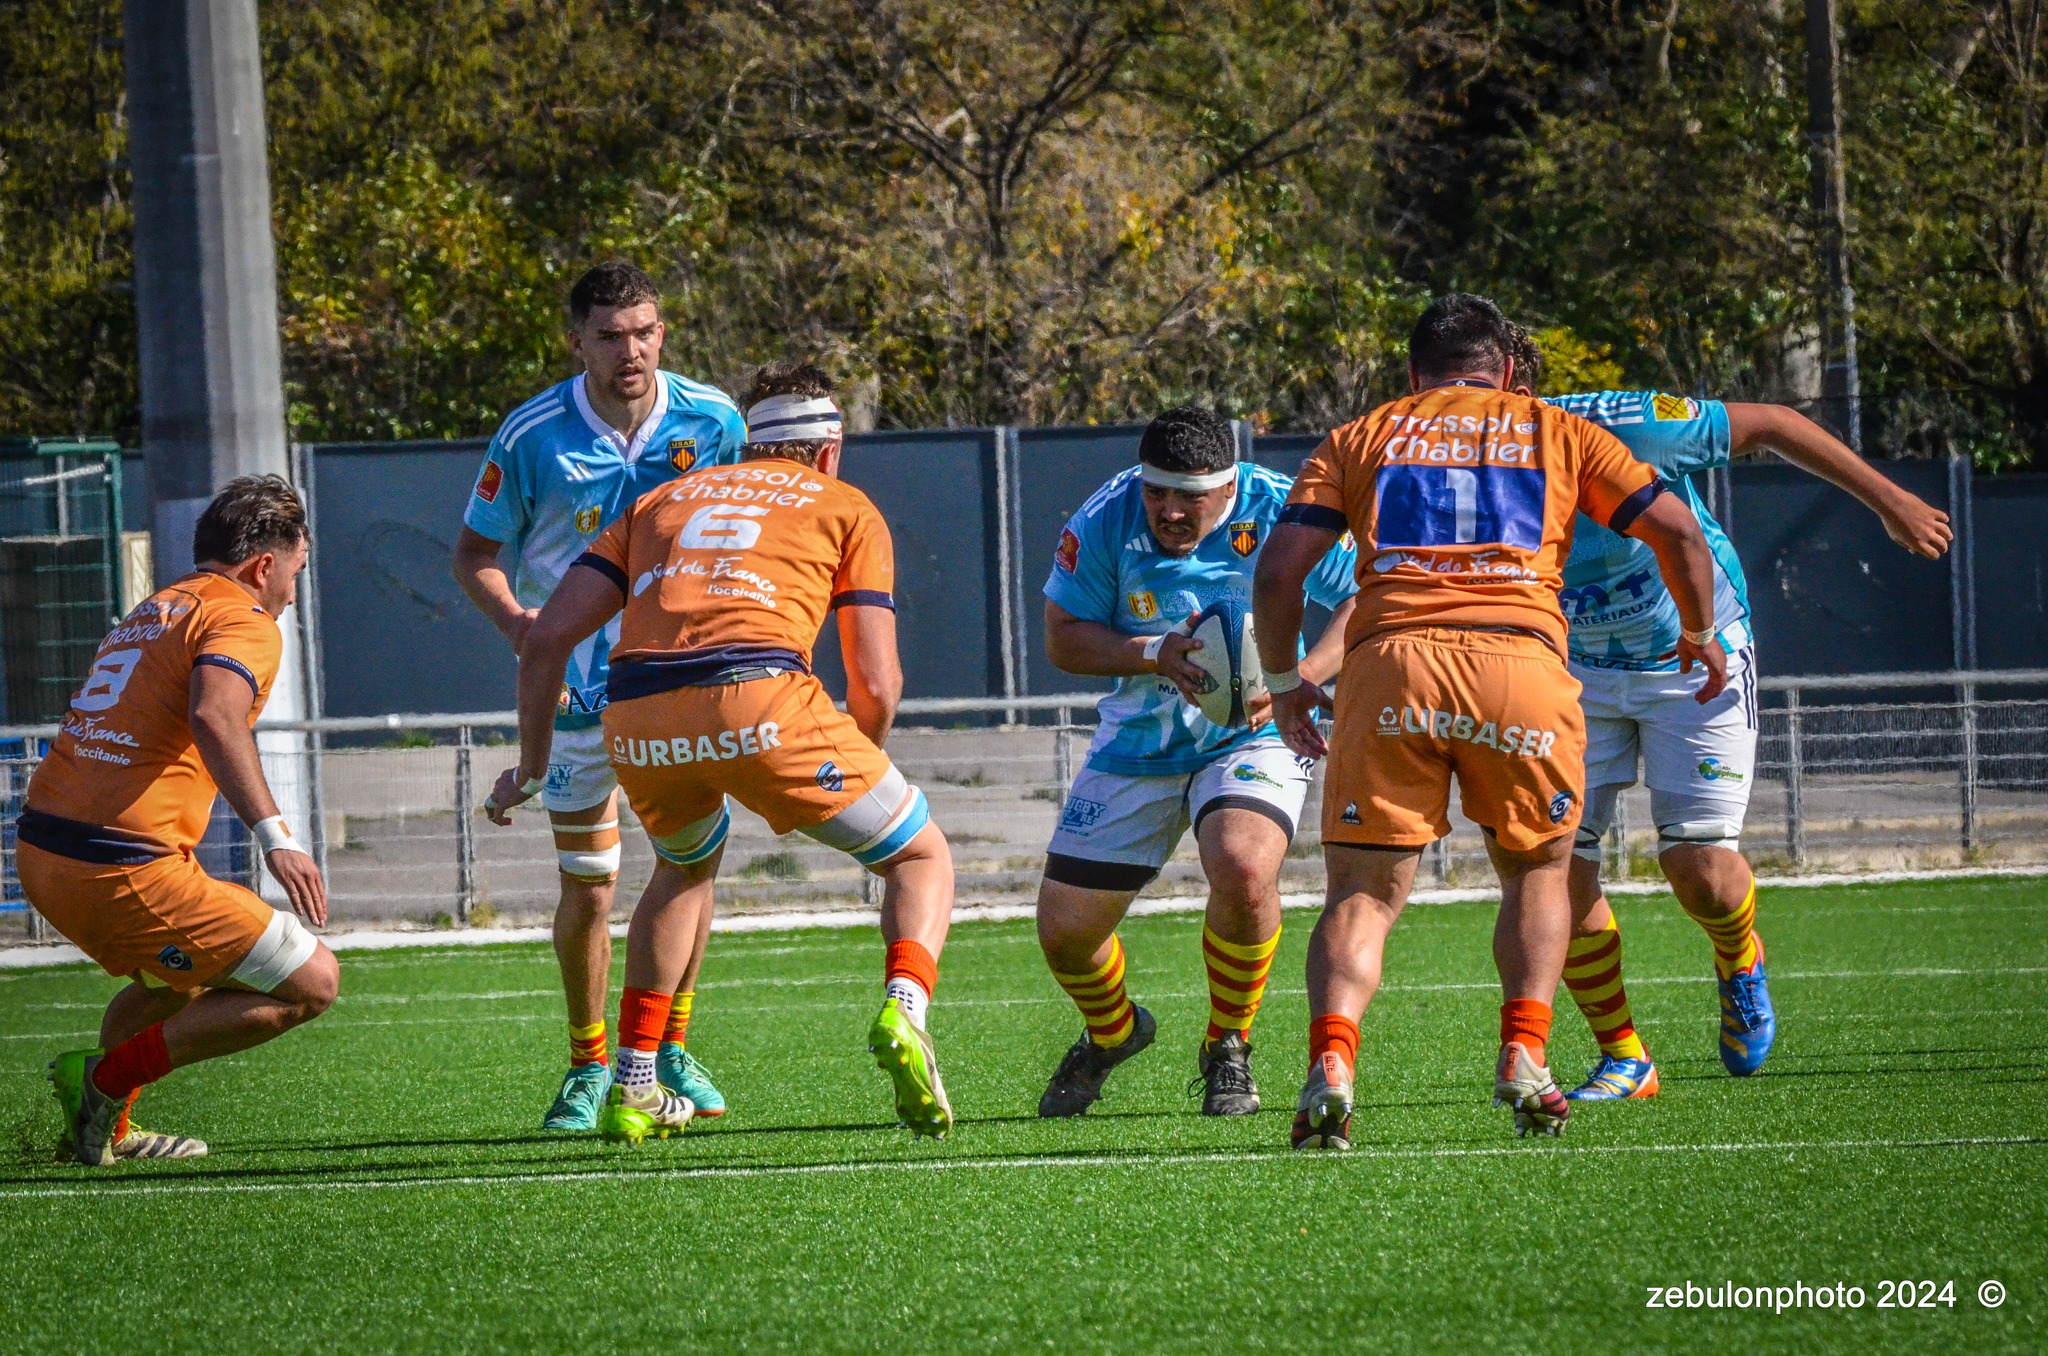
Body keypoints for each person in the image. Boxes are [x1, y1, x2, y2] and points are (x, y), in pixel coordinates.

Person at [1252, 293, 1726, 1147]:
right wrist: (1697, 633)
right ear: (1505, 368)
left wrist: (1285, 682)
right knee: (1538, 876)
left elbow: (1281, 573)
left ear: (1412, 373)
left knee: (1361, 894)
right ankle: (1526, 1055)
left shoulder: (1361, 436)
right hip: (1520, 667)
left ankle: (1332, 1063)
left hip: (1393, 668)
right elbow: (1680, 534)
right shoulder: (1561, 430)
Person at [485, 359, 957, 1142]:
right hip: (762, 696)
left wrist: (530, 767)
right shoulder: (846, 505)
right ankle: (906, 1010)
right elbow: (877, 681)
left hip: (635, 712)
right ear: (830, 450)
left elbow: (546, 641)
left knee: (682, 866)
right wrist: (843, 773)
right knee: (920, 857)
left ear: (746, 446)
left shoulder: (659, 501)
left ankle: (633, 1082)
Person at [1498, 332, 1952, 1099]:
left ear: (1510, 385)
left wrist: (1893, 500)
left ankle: (1739, 960)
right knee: (1553, 865)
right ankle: (1625, 1057)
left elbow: (1773, 419)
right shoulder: (1435, 462)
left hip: (1695, 651)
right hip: (1571, 670)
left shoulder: (1627, 422)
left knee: (1700, 873)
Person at [453, 260, 748, 1131]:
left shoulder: (714, 419)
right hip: (579, 697)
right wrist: (519, 626)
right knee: (589, 884)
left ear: (664, 332)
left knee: (689, 868)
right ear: (575, 339)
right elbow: (474, 555)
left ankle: (668, 1047)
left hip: (679, 683)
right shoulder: (532, 434)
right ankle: (587, 1067)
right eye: (612, 335)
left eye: (646, 330)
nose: (632, 350)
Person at [1034, 407, 1357, 1118]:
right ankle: (1113, 1032)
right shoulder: (1104, 518)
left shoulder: (1283, 507)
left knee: (1243, 865)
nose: (1171, 511)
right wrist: (1150, 651)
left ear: (1230, 484)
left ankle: (1228, 1046)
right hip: (1139, 740)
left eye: (1191, 497)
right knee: (1065, 933)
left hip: (1251, 732)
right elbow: (1063, 638)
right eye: (1158, 493)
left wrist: (1298, 675)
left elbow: (1363, 596)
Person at [20, 476, 339, 1166]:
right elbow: (214, 714)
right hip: (119, 863)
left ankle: (105, 1125)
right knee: (313, 982)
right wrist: (278, 838)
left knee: (176, 981)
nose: (291, 593)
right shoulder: (243, 618)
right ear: (263, 566)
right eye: (295, 573)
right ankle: (103, 1084)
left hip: (48, 852)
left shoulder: (159, 607)